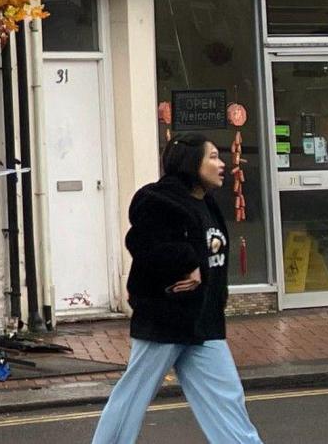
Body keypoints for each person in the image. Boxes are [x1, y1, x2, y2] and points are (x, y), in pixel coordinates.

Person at [88, 135, 264, 444]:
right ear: (190, 162)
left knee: (228, 399)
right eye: (212, 157)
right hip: (167, 319)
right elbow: (142, 243)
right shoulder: (160, 200)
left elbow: (209, 254)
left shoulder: (206, 202)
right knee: (133, 397)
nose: (221, 164)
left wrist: (200, 269)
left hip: (204, 321)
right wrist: (186, 261)